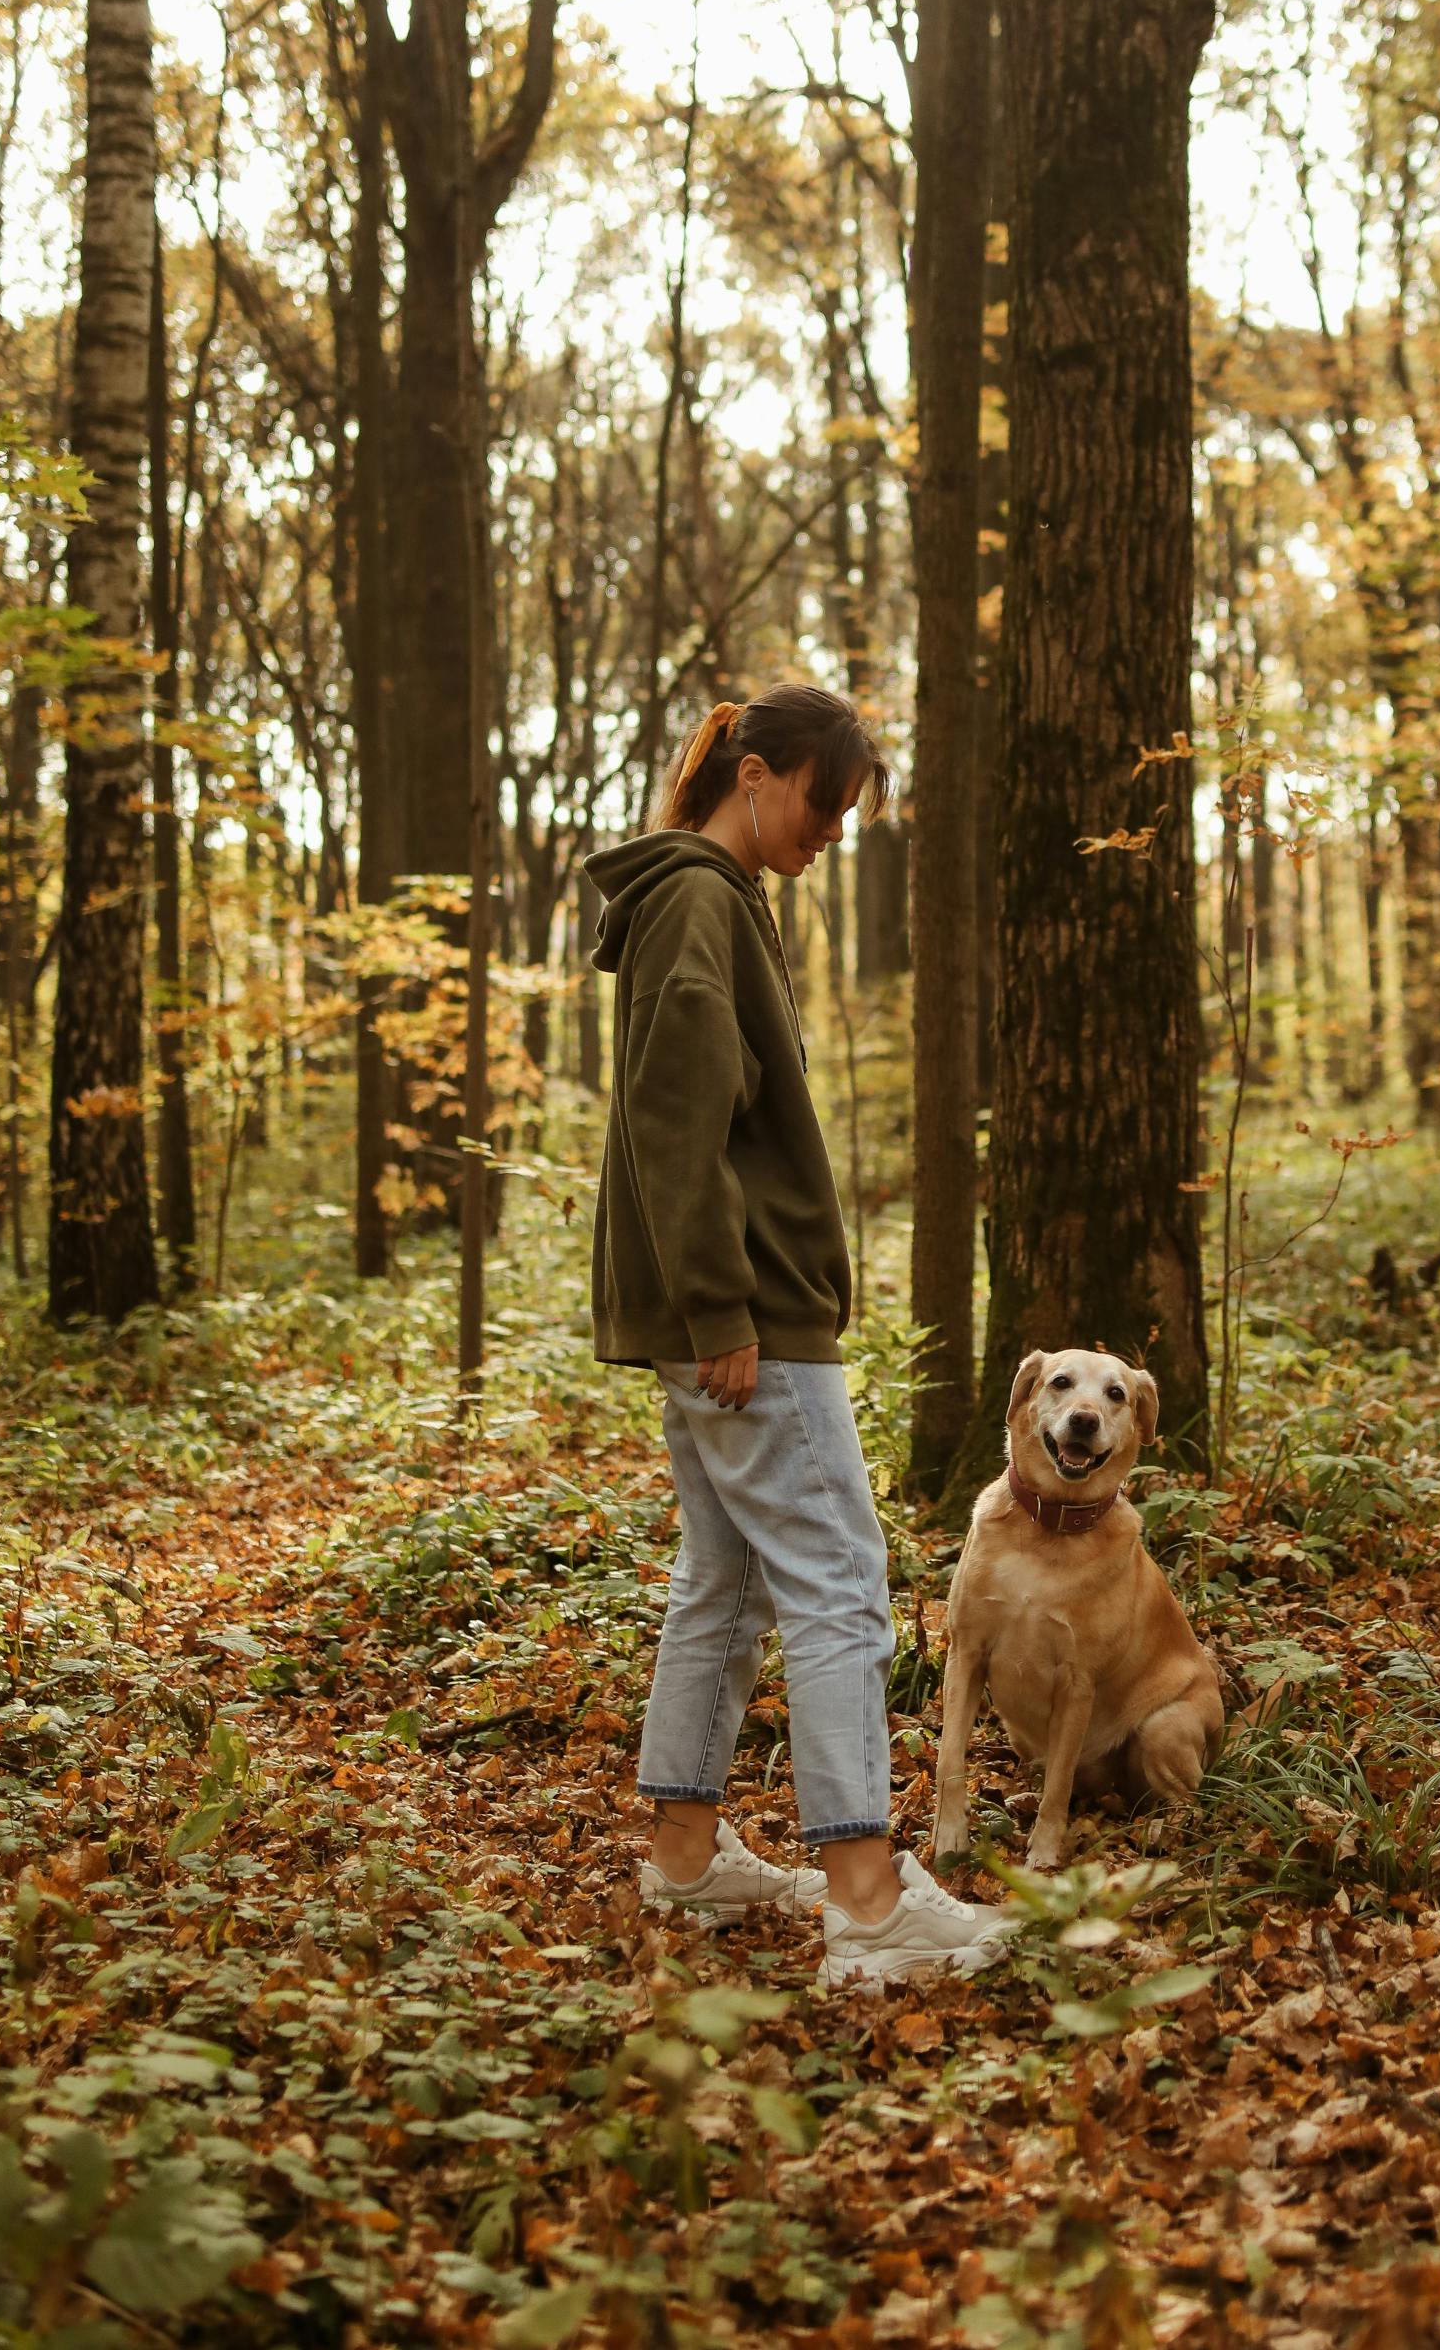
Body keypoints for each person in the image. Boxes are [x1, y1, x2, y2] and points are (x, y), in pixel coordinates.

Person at [583, 682, 1011, 1986]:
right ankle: (868, 1903)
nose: (833, 828)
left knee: (723, 1582)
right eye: (823, 800)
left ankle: (685, 1858)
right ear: (754, 771)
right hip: (748, 1319)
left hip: (733, 1312)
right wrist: (720, 1306)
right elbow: (675, 1121)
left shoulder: (698, 904)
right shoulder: (702, 902)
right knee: (841, 1586)